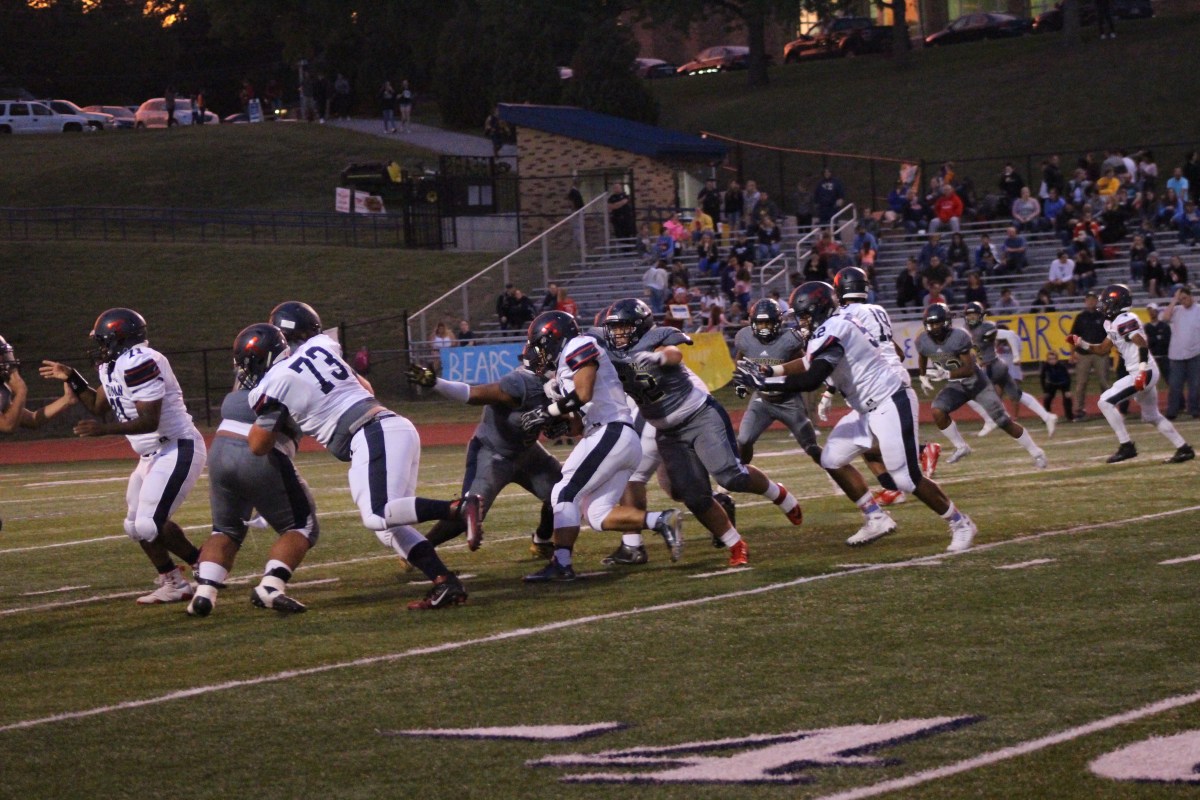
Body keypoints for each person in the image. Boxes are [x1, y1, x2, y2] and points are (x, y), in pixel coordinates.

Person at [248, 302, 471, 609]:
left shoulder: (275, 380)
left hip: (371, 433)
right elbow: (366, 387)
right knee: (389, 528)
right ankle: (445, 582)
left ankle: (460, 508)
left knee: (378, 514)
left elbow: (258, 445)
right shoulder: (323, 346)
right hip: (386, 428)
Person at [736, 283, 976, 552]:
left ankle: (961, 523)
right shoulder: (831, 327)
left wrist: (763, 382)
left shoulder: (834, 328)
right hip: (865, 408)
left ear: (818, 310)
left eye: (803, 316)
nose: (800, 322)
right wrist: (770, 371)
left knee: (906, 478)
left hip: (889, 401)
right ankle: (876, 518)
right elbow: (807, 361)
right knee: (831, 459)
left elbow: (812, 378)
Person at [603, 299, 803, 565]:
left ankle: (779, 494)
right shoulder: (611, 353)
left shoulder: (655, 341)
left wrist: (658, 358)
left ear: (640, 326)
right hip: (667, 431)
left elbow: (674, 353)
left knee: (731, 476)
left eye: (624, 327)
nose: (618, 333)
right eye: (615, 328)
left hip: (699, 415)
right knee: (693, 496)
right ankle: (736, 545)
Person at [41, 309, 206, 604]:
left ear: (120, 339)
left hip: (176, 446)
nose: (100, 347)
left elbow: (149, 420)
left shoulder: (141, 362)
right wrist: (73, 378)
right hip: (150, 454)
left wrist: (104, 431)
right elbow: (98, 405)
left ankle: (203, 565)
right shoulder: (115, 364)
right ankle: (176, 581)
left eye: (103, 341)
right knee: (135, 526)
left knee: (148, 524)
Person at [519, 310, 684, 581]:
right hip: (613, 436)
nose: (541, 353)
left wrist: (548, 410)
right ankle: (662, 520)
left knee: (563, 491)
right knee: (597, 514)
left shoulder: (578, 344)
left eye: (542, 345)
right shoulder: (563, 372)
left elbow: (583, 394)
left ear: (555, 338)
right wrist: (557, 422)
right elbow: (577, 426)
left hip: (611, 430)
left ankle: (561, 564)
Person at [187, 324, 318, 617]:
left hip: (220, 448)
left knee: (225, 530)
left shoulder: (243, 376)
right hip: (257, 452)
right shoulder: (286, 375)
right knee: (301, 527)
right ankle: (271, 587)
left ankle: (204, 593)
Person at [407, 346, 562, 558]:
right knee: (467, 513)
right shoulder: (520, 383)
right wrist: (437, 383)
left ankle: (542, 540)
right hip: (493, 454)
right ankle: (417, 550)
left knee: (563, 493)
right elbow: (473, 394)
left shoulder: (557, 384)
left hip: (527, 452)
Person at [829, 267, 942, 507]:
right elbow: (896, 352)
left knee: (901, 468)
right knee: (863, 442)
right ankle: (892, 487)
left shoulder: (843, 318)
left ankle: (921, 454)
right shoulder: (876, 311)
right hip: (889, 379)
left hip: (881, 386)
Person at [1068, 285, 1193, 463]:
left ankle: (1126, 446)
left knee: (1104, 402)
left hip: (1143, 371)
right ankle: (1184, 448)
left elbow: (1142, 344)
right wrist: (1081, 343)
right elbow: (1102, 349)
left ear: (1117, 304)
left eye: (1106, 302)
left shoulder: (1125, 319)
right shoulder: (1111, 323)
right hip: (1144, 371)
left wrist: (1141, 372)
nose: (1103, 305)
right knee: (1151, 416)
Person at [916, 303, 1048, 470]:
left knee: (1003, 421)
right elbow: (922, 354)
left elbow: (969, 369)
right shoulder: (923, 340)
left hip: (978, 383)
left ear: (947, 321)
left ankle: (1037, 453)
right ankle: (961, 447)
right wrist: (922, 375)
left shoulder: (959, 336)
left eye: (938, 323)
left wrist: (946, 374)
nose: (935, 327)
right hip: (957, 386)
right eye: (931, 324)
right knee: (937, 410)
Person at [732, 299, 821, 468]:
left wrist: (781, 374)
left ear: (778, 322)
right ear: (753, 323)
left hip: (788, 401)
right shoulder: (745, 338)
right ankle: (742, 474)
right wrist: (739, 380)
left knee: (811, 447)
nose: (764, 327)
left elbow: (804, 365)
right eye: (760, 323)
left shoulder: (789, 339)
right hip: (762, 400)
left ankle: (835, 469)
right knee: (743, 440)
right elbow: (740, 357)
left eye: (768, 322)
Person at [963, 302, 1058, 438]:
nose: (971, 318)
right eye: (969, 315)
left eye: (974, 315)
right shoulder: (967, 330)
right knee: (1017, 395)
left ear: (981, 316)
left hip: (991, 367)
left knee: (968, 394)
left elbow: (1010, 335)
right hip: (996, 366)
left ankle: (991, 419)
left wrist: (1016, 356)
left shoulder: (985, 328)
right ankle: (1047, 417)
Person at [1069, 291, 1112, 420]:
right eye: (1089, 299)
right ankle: (1079, 410)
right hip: (1084, 354)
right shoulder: (1080, 317)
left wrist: (1107, 349)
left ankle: (1107, 407)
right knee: (1081, 383)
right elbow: (1073, 336)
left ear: (1097, 301)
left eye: (1093, 299)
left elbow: (1110, 334)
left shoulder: (1103, 316)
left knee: (1104, 382)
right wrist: (1072, 353)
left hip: (1101, 353)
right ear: (1085, 301)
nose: (1091, 302)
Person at [1162, 285, 1200, 420]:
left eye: (1185, 298)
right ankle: (1172, 412)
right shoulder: (1176, 310)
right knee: (1174, 385)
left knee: (1195, 385)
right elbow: (1165, 317)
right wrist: (1174, 300)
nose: (1184, 301)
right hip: (1176, 355)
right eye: (1181, 299)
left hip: (1195, 353)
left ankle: (1194, 410)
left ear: (1191, 297)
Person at [1040, 351, 1073, 422]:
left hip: (1063, 384)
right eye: (1050, 359)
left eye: (1054, 359)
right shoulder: (1045, 366)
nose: (1052, 361)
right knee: (1047, 399)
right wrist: (1045, 391)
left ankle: (1070, 417)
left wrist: (1067, 390)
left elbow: (1068, 378)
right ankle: (1047, 417)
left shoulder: (1062, 366)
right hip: (1052, 384)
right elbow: (1042, 378)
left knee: (1067, 398)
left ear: (1057, 359)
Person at [1143, 302, 1171, 384]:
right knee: (1150, 381)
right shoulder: (1146, 327)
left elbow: (1166, 341)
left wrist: (1153, 339)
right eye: (1149, 311)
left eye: (1153, 311)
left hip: (1164, 357)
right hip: (1152, 357)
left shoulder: (1164, 326)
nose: (1151, 313)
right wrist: (1157, 338)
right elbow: (1147, 342)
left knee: (1169, 379)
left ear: (1157, 311)